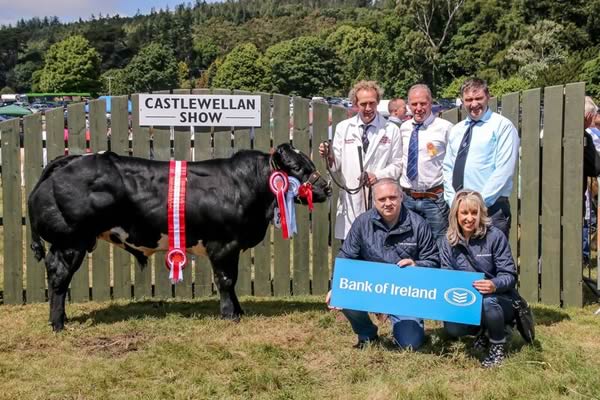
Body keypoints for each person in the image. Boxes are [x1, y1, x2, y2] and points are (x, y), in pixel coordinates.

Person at [328, 178, 439, 350]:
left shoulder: (419, 224)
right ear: (374, 201)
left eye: (392, 197)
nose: (388, 203)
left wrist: (417, 265)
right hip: (370, 288)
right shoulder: (362, 223)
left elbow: (433, 261)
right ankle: (366, 334)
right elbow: (345, 257)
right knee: (344, 295)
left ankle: (405, 325)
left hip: (405, 294)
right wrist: (335, 286)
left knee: (410, 344)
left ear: (401, 197)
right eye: (382, 199)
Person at [440, 190, 517, 368]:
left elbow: (510, 275)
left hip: (498, 298)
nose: (469, 218)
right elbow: (447, 275)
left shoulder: (495, 236)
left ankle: (498, 344)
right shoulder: (448, 241)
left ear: (481, 213)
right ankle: (484, 330)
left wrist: (493, 284)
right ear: (455, 215)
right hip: (465, 297)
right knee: (453, 329)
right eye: (464, 213)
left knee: (488, 303)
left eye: (474, 212)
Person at [319, 80, 402, 240]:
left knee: (378, 249)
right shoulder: (344, 128)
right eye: (363, 104)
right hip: (351, 201)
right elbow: (335, 165)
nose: (368, 108)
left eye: (372, 103)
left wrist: (376, 176)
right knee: (352, 249)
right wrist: (328, 155)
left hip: (379, 200)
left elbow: (397, 166)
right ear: (355, 104)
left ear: (378, 102)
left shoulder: (391, 130)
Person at [443, 77, 519, 237]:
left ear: (488, 97)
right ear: (462, 101)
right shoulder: (457, 130)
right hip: (460, 210)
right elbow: (448, 168)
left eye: (478, 98)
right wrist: (453, 203)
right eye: (468, 99)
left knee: (492, 261)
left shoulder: (502, 126)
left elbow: (504, 171)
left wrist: (478, 204)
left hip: (491, 209)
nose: (474, 104)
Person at [400, 84, 454, 241]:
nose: (418, 108)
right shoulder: (404, 128)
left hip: (434, 199)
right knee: (409, 243)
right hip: (408, 199)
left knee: (439, 243)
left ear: (431, 103)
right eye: (414, 104)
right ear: (408, 104)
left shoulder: (445, 128)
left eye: (423, 103)